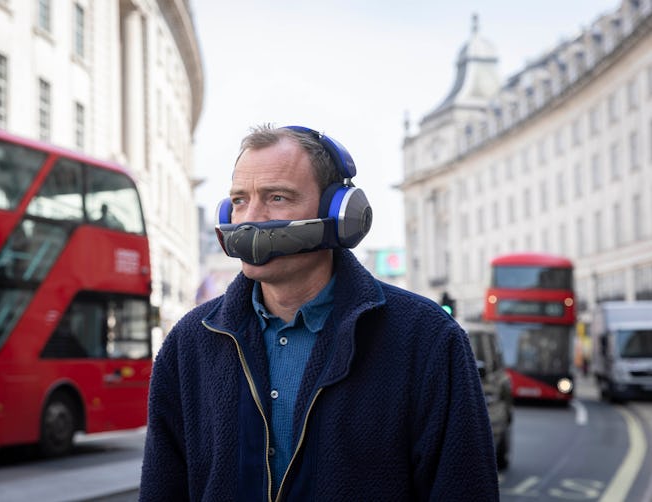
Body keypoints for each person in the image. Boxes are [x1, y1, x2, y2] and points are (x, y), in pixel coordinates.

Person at [139, 125, 499, 501]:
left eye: (277, 197)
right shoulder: (189, 342)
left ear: (342, 214)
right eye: (240, 200)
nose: (250, 219)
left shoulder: (427, 339)